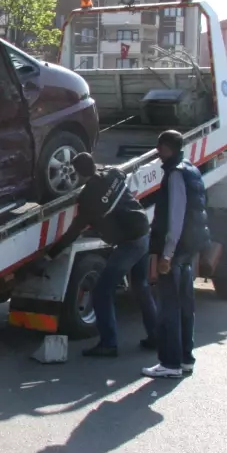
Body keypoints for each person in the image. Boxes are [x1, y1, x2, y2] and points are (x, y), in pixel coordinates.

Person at [44, 152, 156, 357]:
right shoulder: (112, 174)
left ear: (77, 174)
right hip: (143, 232)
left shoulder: (87, 198)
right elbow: (120, 176)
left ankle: (109, 344)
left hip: (128, 243)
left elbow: (73, 231)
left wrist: (50, 255)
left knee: (102, 292)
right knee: (141, 286)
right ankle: (156, 335)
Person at [143, 129, 210, 379]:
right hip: (187, 251)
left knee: (169, 309)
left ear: (167, 147)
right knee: (184, 308)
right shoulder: (191, 170)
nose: (157, 153)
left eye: (159, 148)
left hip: (175, 252)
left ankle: (169, 363)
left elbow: (175, 216)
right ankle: (185, 360)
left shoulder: (175, 174)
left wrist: (166, 254)